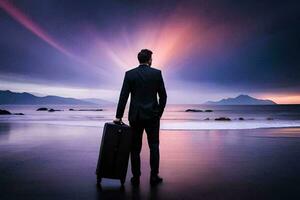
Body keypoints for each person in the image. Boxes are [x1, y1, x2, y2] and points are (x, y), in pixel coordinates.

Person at [114, 49, 167, 186]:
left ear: (139, 60)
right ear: (149, 60)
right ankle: (154, 176)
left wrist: (118, 116)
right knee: (154, 146)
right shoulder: (156, 74)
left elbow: (123, 97)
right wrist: (158, 113)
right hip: (152, 117)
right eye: (151, 58)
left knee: (135, 148)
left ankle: (136, 177)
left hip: (135, 117)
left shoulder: (130, 74)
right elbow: (163, 96)